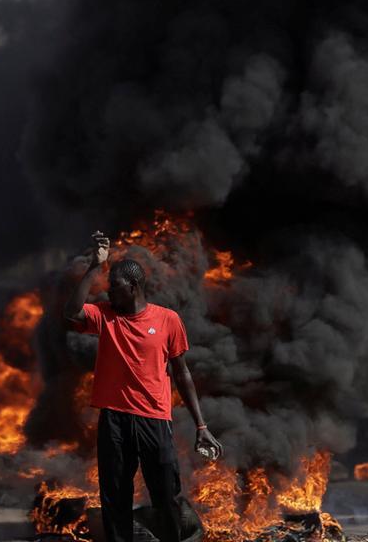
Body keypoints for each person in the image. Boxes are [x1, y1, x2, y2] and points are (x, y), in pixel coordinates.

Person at [64, 231, 224, 542]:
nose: (109, 292)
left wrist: (201, 425)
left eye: (115, 286)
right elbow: (72, 311)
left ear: (134, 286)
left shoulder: (168, 320)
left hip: (155, 420)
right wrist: (95, 266)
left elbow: (182, 375)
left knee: (165, 495)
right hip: (114, 421)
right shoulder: (104, 315)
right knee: (115, 498)